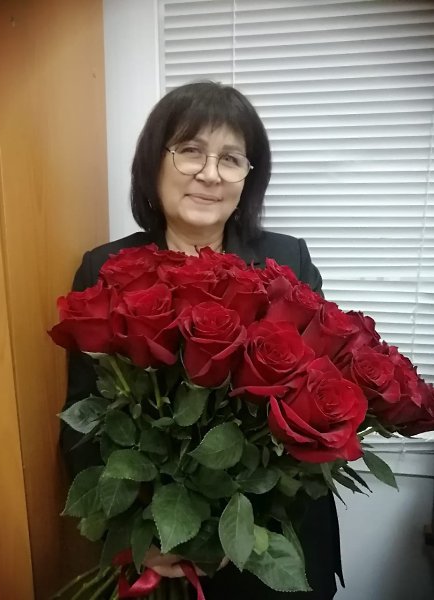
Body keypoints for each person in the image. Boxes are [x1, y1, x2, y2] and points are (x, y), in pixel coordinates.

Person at [61, 81, 343, 599]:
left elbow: (322, 395)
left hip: (273, 535)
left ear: (248, 178)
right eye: (191, 150)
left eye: (231, 159)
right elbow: (81, 421)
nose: (210, 174)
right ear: (154, 163)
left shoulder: (288, 262)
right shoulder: (104, 268)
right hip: (162, 544)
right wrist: (136, 530)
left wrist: (242, 524)